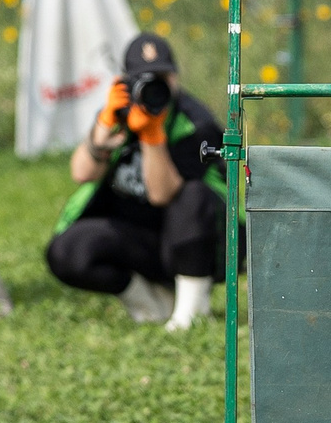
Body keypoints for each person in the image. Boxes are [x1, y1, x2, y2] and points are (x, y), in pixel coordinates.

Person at [45, 31, 227, 333]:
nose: (156, 88)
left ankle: (192, 310)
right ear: (127, 82)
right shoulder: (121, 113)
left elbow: (163, 194)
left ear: (176, 78)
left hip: (198, 242)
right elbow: (81, 172)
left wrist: (152, 135)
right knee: (67, 252)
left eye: (163, 78)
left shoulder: (196, 123)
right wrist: (102, 129)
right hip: (136, 237)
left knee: (192, 194)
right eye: (146, 80)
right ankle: (150, 303)